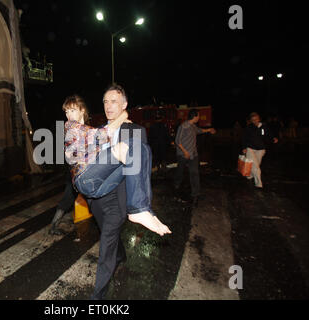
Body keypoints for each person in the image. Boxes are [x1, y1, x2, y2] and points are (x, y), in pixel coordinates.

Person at [71, 85, 169, 300]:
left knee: (107, 243)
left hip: (119, 196)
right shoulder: (98, 130)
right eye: (105, 101)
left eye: (114, 101)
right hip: (97, 196)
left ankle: (98, 296)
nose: (108, 106)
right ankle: (121, 254)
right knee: (109, 234)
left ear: (124, 105)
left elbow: (137, 168)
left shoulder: (135, 130)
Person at [48, 95, 86, 235]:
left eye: (72, 110)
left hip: (85, 174)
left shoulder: (82, 127)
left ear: (82, 110)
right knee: (67, 200)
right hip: (75, 174)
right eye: (66, 111)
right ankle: (53, 227)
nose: (68, 115)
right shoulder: (70, 128)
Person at [173, 109, 216, 207]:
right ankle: (177, 184)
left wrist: (209, 130)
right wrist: (185, 152)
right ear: (194, 116)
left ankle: (195, 193)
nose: (199, 117)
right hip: (183, 155)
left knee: (194, 173)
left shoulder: (193, 126)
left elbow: (200, 131)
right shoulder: (183, 126)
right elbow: (177, 141)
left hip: (193, 154)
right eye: (198, 116)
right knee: (180, 171)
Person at [242, 112, 278, 189]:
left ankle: (250, 175)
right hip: (250, 148)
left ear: (259, 119)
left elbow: (268, 134)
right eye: (253, 120)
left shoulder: (264, 127)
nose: (255, 121)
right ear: (251, 120)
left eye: (256, 119)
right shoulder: (249, 127)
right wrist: (244, 147)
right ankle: (258, 183)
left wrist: (273, 138)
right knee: (256, 167)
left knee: (256, 165)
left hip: (261, 149)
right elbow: (244, 138)